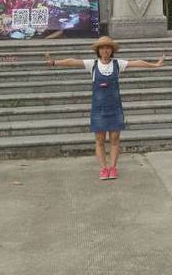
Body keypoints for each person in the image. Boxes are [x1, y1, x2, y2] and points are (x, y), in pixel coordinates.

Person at [44, 36, 164, 180]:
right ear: (98, 50)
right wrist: (54, 62)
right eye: (102, 48)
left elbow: (137, 63)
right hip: (99, 110)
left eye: (108, 48)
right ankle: (103, 169)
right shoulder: (92, 64)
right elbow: (73, 61)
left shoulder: (118, 64)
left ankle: (112, 168)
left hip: (115, 108)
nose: (105, 50)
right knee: (99, 141)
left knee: (115, 140)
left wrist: (155, 65)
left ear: (112, 50)